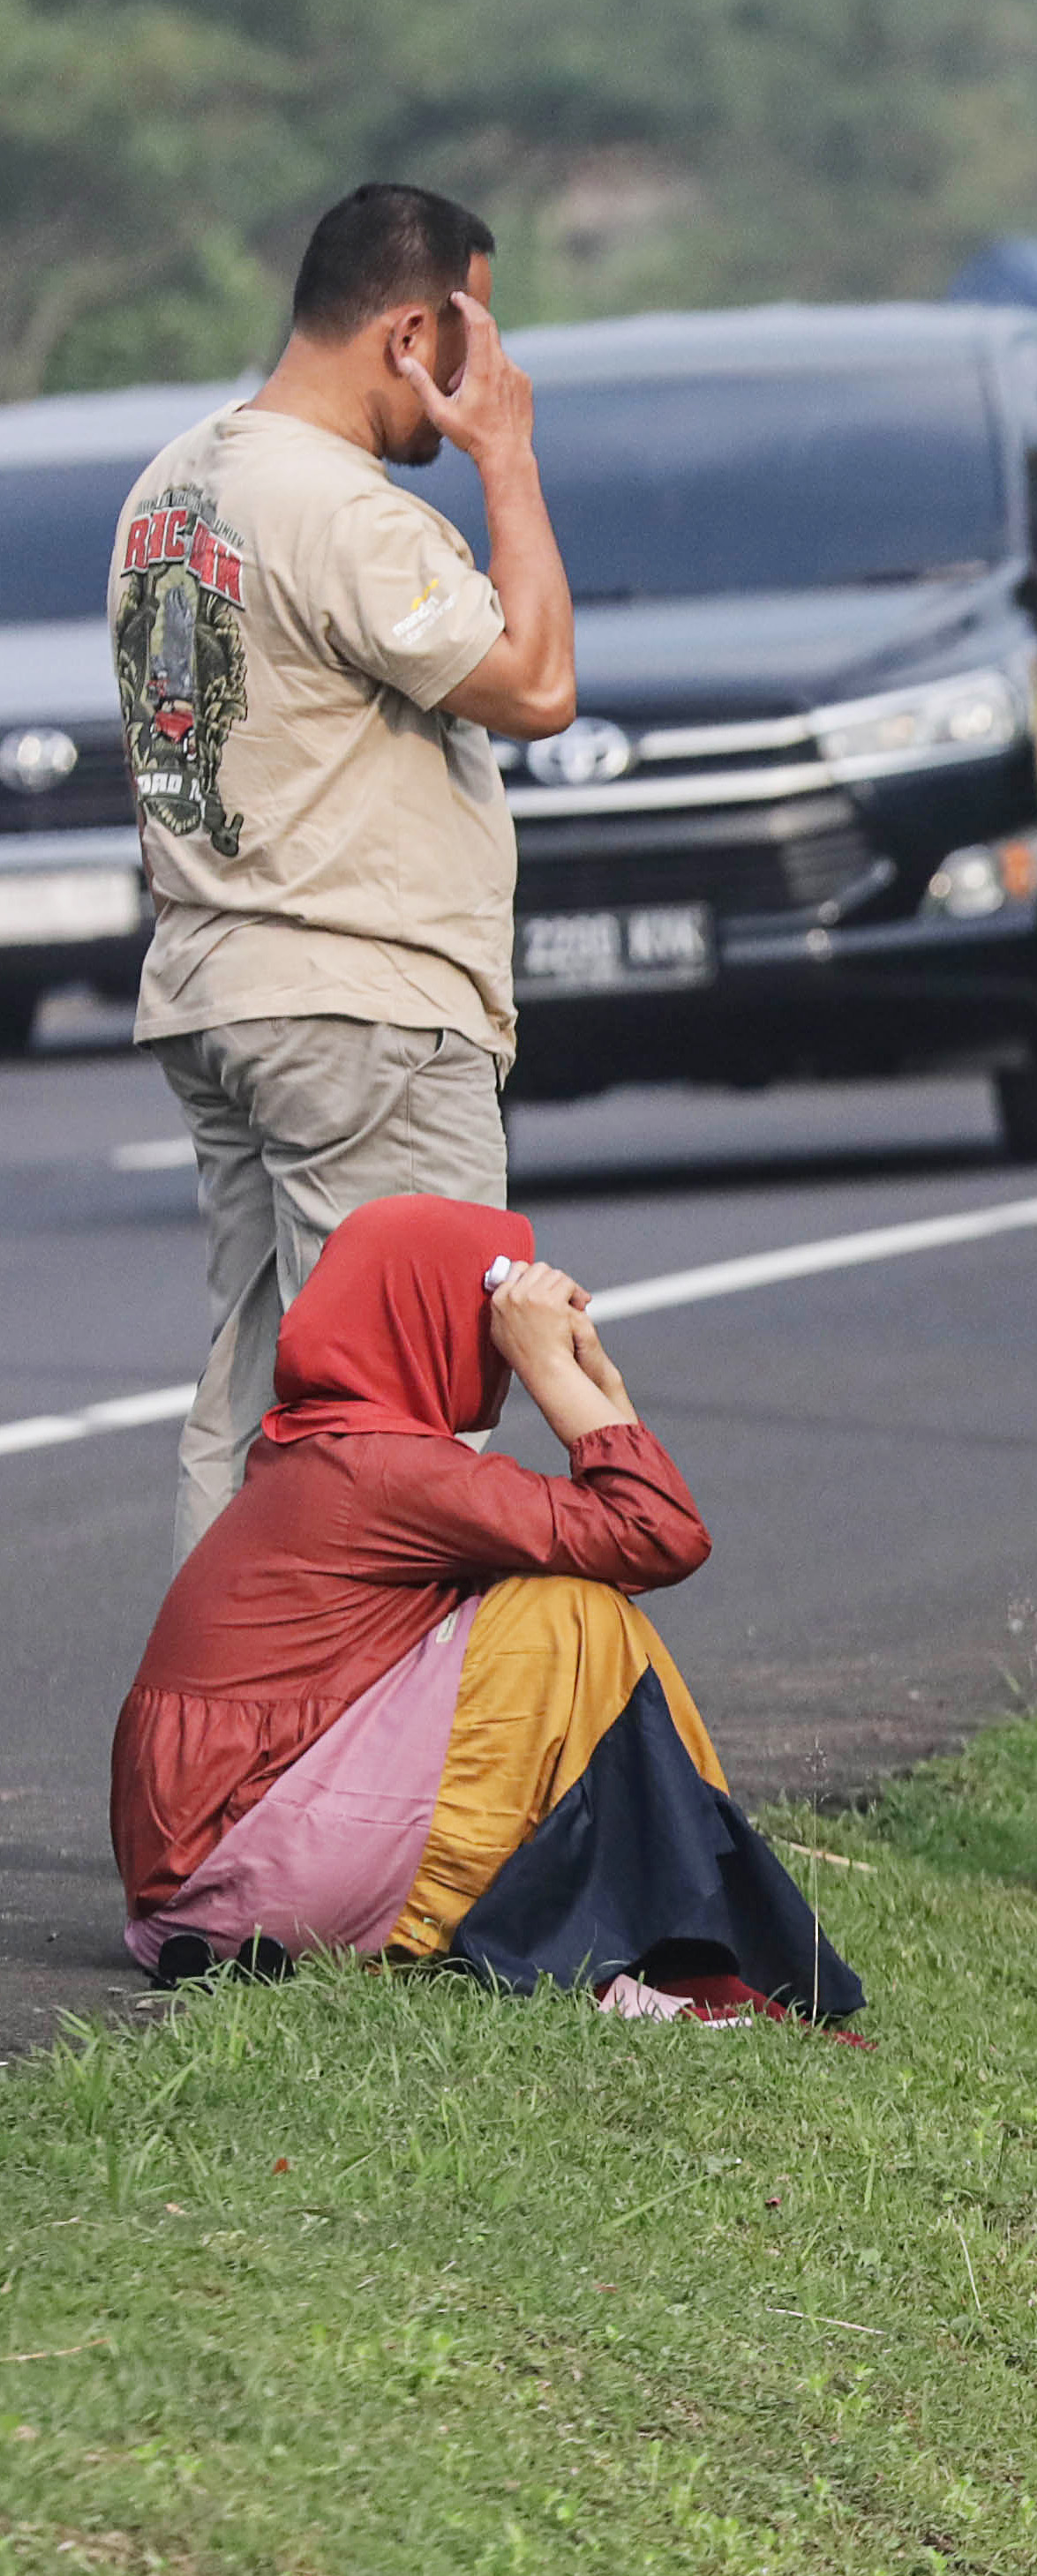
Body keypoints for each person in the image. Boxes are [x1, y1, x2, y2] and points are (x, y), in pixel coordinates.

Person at [115, 182, 579, 1557]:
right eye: (474, 339)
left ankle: (217, 1684)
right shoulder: (343, 512)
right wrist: (509, 461)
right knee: (402, 1412)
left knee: (254, 1397)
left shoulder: (173, 484)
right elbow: (537, 685)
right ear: (411, 334)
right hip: (364, 1008)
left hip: (218, 986)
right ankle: (353, 1691)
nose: (486, 375)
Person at [112, 1195, 861, 2024]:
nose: (500, 1345)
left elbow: (641, 1537)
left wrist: (603, 1384)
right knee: (564, 1616)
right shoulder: (381, 1469)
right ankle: (666, 1931)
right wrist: (557, 1374)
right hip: (245, 1884)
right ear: (430, 1321)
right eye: (491, 1316)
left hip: (223, 1872)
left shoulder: (332, 1446)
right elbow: (660, 1532)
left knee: (559, 1606)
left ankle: (661, 1924)